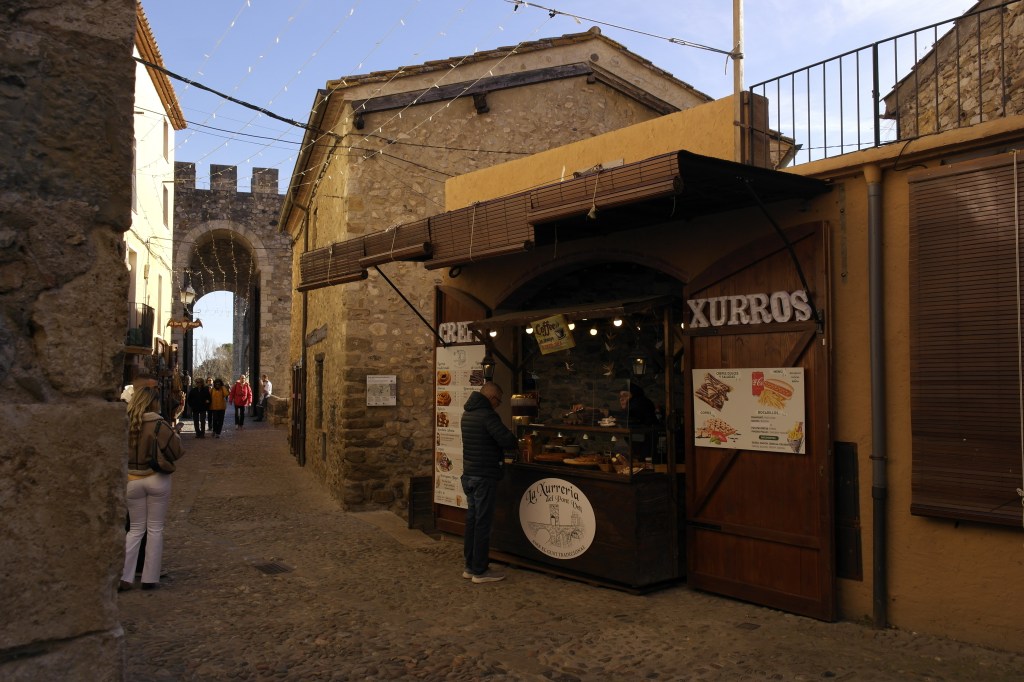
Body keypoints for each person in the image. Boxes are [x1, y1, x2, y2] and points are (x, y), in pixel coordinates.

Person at [121, 385, 184, 591]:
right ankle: (150, 577)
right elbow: (176, 450)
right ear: (153, 403)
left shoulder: (126, 422)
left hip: (132, 480)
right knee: (155, 528)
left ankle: (125, 576)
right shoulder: (159, 423)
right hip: (156, 478)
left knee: (135, 529)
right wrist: (175, 434)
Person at [460, 381, 518, 584]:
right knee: (483, 524)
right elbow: (507, 440)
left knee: (472, 521)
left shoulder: (467, 413)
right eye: (499, 401)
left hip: (469, 475)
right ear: (492, 398)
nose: (498, 405)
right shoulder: (487, 415)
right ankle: (480, 570)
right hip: (484, 476)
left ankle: (470, 566)